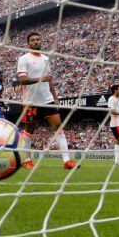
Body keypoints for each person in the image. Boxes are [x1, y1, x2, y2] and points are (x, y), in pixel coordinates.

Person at [16, 32, 77, 170]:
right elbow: (22, 80)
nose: (36, 42)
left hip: (47, 100)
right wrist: (41, 79)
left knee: (59, 128)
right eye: (33, 40)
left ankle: (67, 161)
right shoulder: (24, 59)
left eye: (38, 39)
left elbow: (49, 80)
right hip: (31, 102)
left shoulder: (46, 59)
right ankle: (26, 160)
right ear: (28, 43)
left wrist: (55, 97)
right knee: (29, 130)